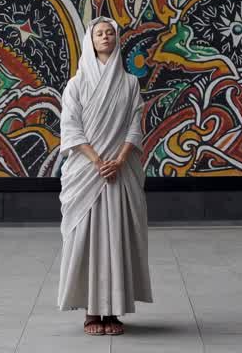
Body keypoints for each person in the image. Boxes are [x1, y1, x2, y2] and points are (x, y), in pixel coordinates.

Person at [57, 17, 153, 336]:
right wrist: (99, 161)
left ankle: (112, 311)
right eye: (99, 33)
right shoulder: (77, 83)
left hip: (120, 170)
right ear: (90, 40)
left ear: (117, 40)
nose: (105, 37)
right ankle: (90, 312)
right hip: (88, 171)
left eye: (110, 33)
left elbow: (135, 127)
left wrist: (119, 160)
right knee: (87, 238)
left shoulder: (129, 84)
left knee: (116, 236)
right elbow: (71, 129)